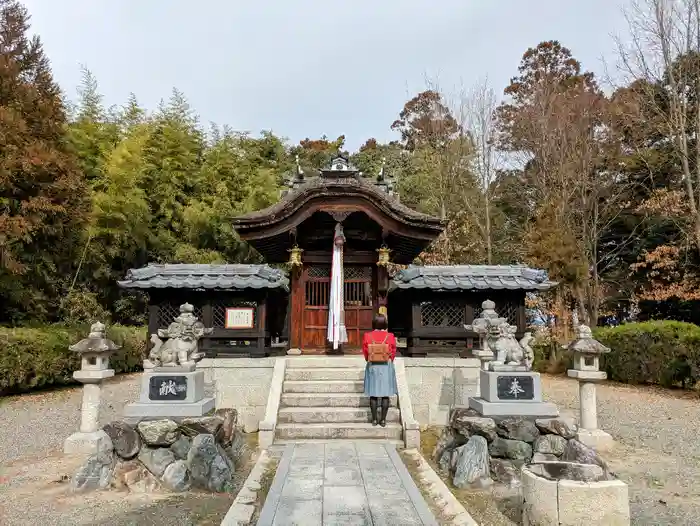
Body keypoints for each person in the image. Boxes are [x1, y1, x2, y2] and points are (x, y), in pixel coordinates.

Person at [362, 314, 398, 427]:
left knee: (373, 394)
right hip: (386, 366)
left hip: (373, 365)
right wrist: (389, 359)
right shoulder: (390, 336)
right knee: (385, 395)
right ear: (385, 324)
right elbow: (393, 351)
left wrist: (369, 359)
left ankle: (373, 420)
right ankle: (382, 420)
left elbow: (365, 351)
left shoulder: (367, 336)